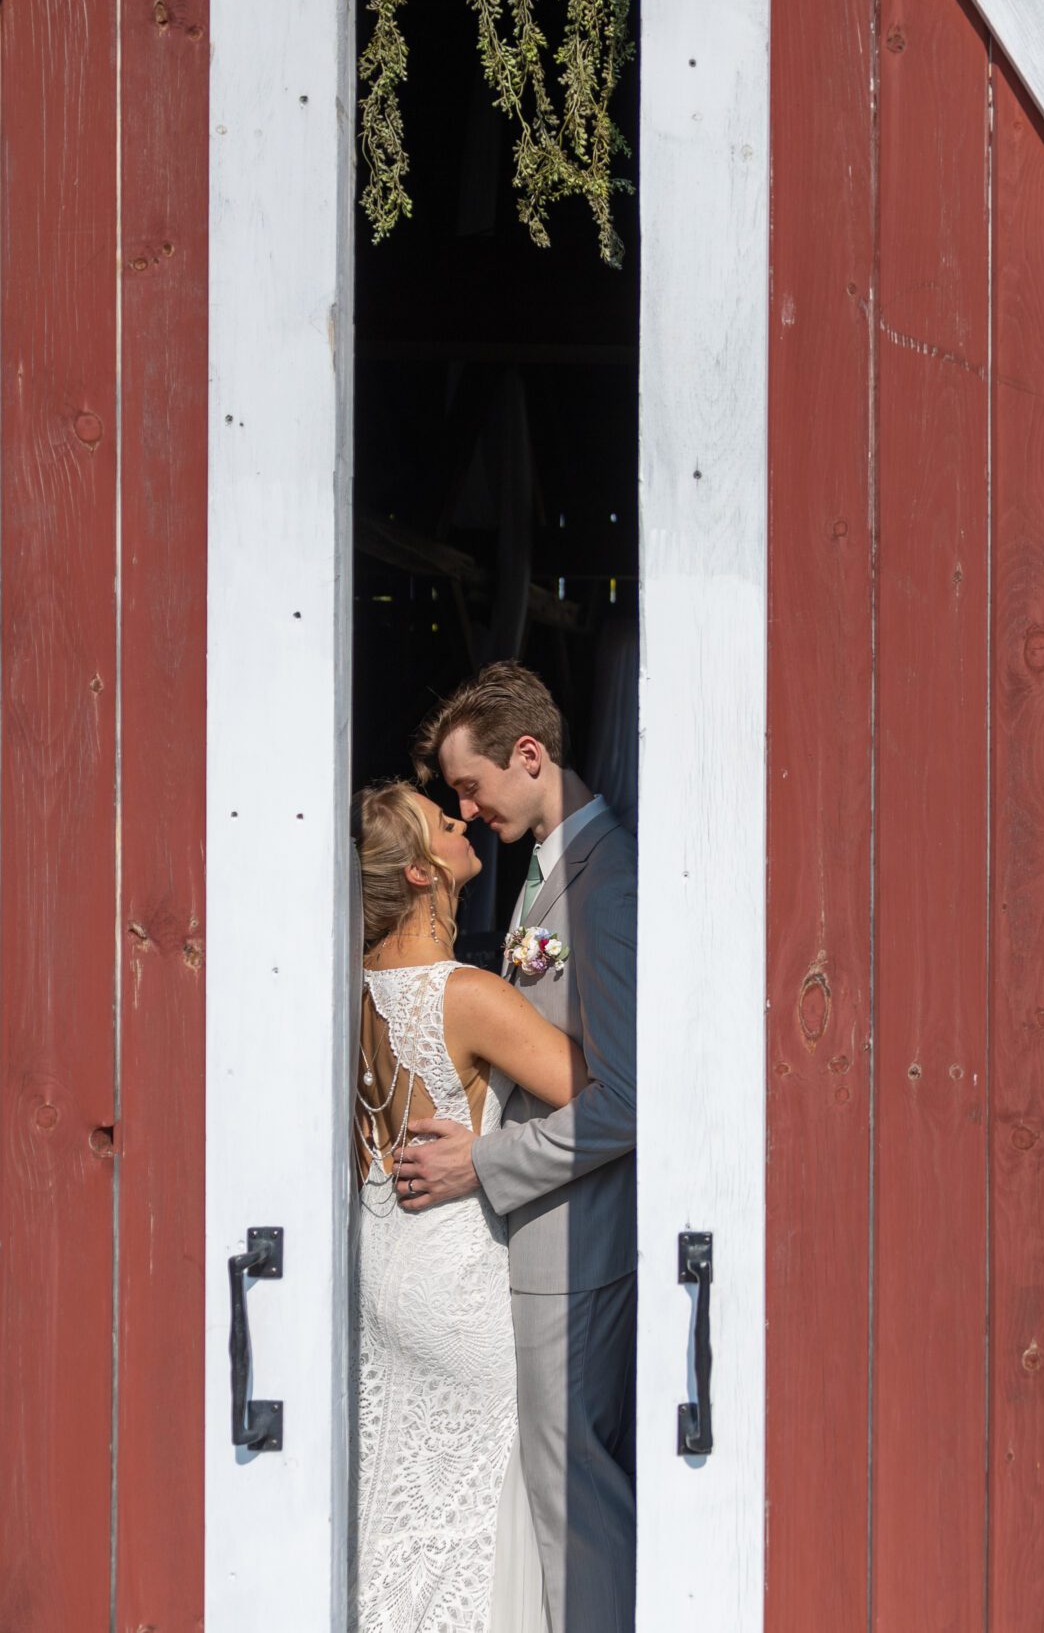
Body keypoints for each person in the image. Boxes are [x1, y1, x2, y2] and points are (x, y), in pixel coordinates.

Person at [393, 663, 638, 1633]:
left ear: (527, 757)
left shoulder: (605, 885)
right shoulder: (551, 866)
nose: (464, 809)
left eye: (469, 786)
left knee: (574, 1499)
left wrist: (480, 1165)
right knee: (557, 1493)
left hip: (575, 1248)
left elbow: (623, 1102)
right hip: (551, 1246)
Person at [352, 782, 582, 1632]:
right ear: (420, 872)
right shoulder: (462, 993)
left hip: (377, 1278)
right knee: (469, 1523)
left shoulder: (350, 989)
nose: (462, 820)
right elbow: (600, 1094)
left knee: (388, 1505)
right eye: (444, 823)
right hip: (456, 1287)